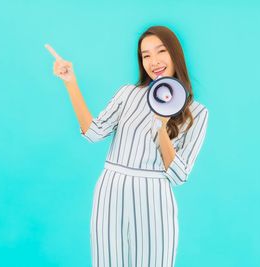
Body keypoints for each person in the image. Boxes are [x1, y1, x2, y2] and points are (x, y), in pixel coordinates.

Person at [45, 25, 209, 267]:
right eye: (146, 55)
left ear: (175, 54)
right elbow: (93, 132)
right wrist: (71, 82)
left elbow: (178, 174)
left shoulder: (197, 112)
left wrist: (161, 127)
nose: (154, 61)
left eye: (161, 51)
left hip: (154, 196)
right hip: (112, 188)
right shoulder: (128, 94)